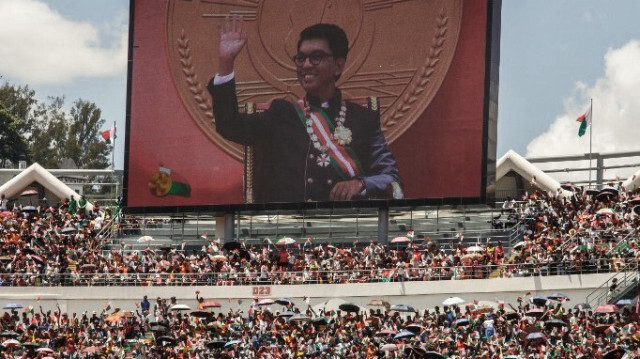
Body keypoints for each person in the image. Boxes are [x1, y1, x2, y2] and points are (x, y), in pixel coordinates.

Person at [208, 16, 402, 202]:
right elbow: (229, 125)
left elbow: (391, 177)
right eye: (301, 58)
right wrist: (226, 61)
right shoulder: (282, 114)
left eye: (316, 57)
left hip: (347, 226)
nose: (306, 65)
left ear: (338, 65)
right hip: (290, 229)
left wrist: (360, 184)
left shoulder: (363, 119)